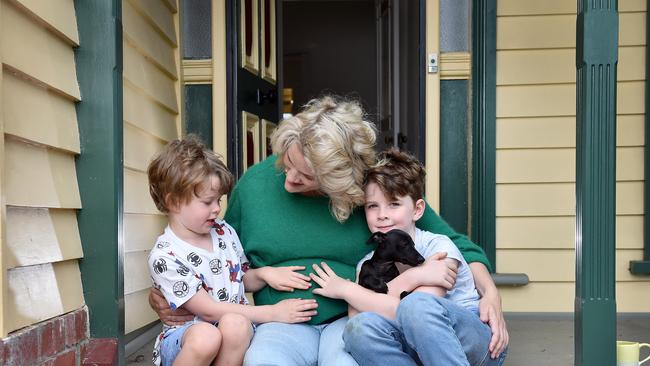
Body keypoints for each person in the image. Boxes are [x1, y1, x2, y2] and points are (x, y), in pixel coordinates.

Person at [149, 96, 508, 366]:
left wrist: (489, 293)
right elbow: (212, 251)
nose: (289, 180)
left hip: (352, 320)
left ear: (341, 180)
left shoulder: (374, 195)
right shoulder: (255, 185)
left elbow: (458, 246)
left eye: (305, 176)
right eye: (287, 164)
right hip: (278, 325)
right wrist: (167, 295)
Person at [309, 148, 508, 365]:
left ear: (417, 209)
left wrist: (349, 291)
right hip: (416, 348)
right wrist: (417, 276)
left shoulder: (437, 246)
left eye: (394, 204)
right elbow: (358, 316)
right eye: (372, 206)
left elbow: (410, 310)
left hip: (469, 342)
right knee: (358, 330)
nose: (382, 214)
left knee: (416, 306)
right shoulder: (367, 264)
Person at [146, 136, 318, 366]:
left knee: (236, 324)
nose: (217, 208)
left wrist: (265, 274)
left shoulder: (223, 231)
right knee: (206, 336)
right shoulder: (165, 256)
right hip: (187, 339)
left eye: (218, 200)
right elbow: (207, 311)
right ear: (174, 202)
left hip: (233, 332)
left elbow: (237, 279)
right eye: (208, 202)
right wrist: (273, 313)